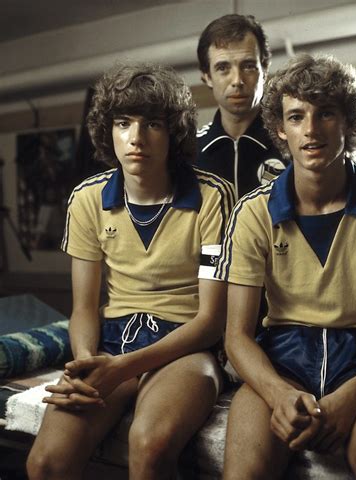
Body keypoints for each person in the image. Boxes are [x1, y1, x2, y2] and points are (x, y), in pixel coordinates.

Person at [217, 53, 356, 480]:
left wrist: (349, 400)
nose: (311, 130)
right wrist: (278, 394)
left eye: (326, 114)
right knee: (244, 473)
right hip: (281, 359)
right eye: (296, 116)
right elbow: (236, 336)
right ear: (281, 129)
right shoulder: (253, 212)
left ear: (348, 123)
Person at [26, 62, 235, 480]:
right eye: (123, 123)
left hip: (186, 345)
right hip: (112, 341)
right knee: (45, 464)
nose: (136, 138)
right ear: (109, 131)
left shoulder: (213, 196)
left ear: (172, 132)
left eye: (152, 124)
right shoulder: (87, 199)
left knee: (148, 446)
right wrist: (87, 365)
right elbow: (83, 308)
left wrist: (123, 368)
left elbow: (212, 320)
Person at [196, 14, 356, 198]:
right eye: (223, 68)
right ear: (207, 76)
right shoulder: (190, 150)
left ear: (264, 70)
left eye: (248, 66)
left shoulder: (296, 132)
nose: (237, 80)